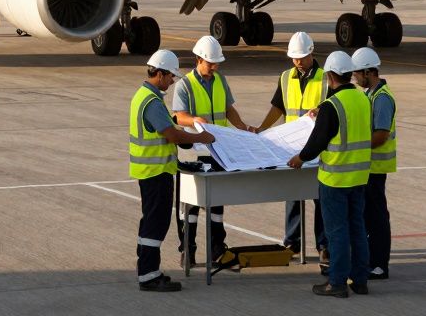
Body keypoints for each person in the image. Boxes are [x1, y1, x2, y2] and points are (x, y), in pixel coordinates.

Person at [130, 49, 215, 292]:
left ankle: (150, 270)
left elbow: (169, 128)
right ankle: (148, 276)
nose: (172, 81)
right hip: (156, 173)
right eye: (170, 76)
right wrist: (199, 137)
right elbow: (170, 134)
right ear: (160, 73)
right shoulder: (152, 102)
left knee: (151, 223)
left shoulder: (143, 96)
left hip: (150, 172)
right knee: (155, 224)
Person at [288, 51, 371, 297]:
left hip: (335, 178)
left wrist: (299, 158)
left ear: (331, 76)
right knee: (357, 228)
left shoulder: (331, 105)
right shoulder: (363, 99)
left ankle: (336, 282)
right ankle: (360, 280)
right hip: (359, 176)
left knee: (337, 232)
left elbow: (317, 142)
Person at [171, 35, 257, 267]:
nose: (214, 67)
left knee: (216, 205)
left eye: (217, 63)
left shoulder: (220, 79)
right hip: (193, 154)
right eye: (211, 63)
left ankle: (217, 249)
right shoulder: (184, 85)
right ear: (198, 59)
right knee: (189, 207)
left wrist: (243, 127)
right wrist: (193, 120)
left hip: (218, 151)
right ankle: (187, 250)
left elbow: (229, 109)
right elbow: (177, 115)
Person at [258, 31, 329, 258]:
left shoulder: (325, 78)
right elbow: (278, 107)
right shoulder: (286, 76)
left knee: (320, 198)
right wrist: (262, 129)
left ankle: (323, 245)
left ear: (311, 53)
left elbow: (334, 107)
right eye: (294, 58)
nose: (297, 61)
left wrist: (320, 111)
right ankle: (292, 242)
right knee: (292, 195)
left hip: (317, 146)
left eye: (301, 57)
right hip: (290, 147)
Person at [352, 46, 395, 280]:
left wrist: (355, 145)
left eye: (357, 73)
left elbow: (381, 135)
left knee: (377, 218)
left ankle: (379, 264)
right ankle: (372, 260)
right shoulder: (371, 95)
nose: (355, 78)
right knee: (370, 216)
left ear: (369, 72)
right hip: (368, 167)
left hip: (376, 168)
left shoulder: (382, 99)